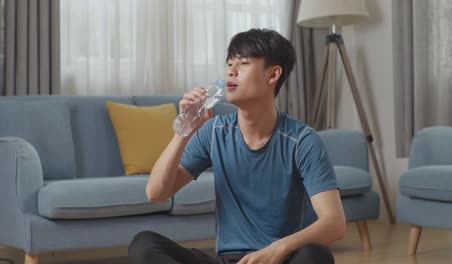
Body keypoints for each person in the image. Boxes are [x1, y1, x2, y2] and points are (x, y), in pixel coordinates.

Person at [128, 28, 346, 264]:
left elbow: (334, 223)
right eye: (229, 63)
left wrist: (277, 249)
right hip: (228, 261)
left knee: (316, 256)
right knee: (144, 245)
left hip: (279, 259)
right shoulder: (214, 132)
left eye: (243, 63)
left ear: (273, 75)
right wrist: (183, 132)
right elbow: (156, 193)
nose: (231, 71)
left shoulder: (302, 141)